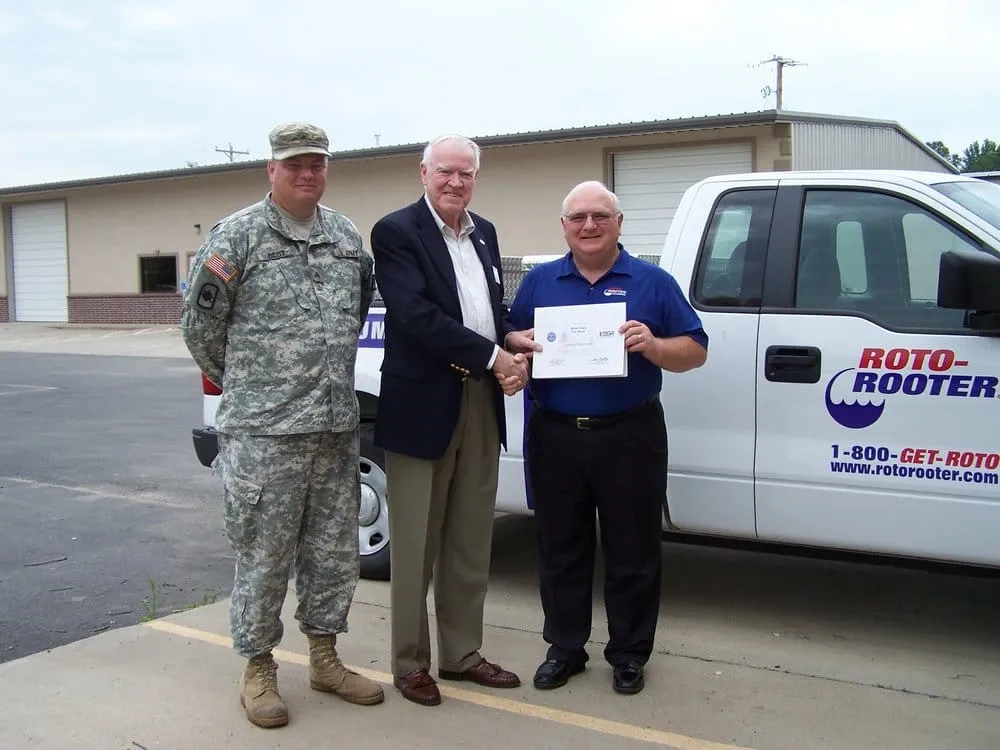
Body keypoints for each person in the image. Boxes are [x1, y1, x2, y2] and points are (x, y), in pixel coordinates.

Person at [181, 122, 384, 729]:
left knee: (333, 553)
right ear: (272, 169)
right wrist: (254, 386)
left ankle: (324, 658)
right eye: (294, 164)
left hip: (333, 429)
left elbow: (358, 308)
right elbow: (200, 327)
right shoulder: (237, 236)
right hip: (264, 435)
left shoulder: (345, 236)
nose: (307, 174)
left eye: (317, 163)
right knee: (264, 555)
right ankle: (258, 667)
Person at [507, 180, 708, 696]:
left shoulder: (653, 282)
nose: (589, 225)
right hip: (555, 435)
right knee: (560, 548)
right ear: (564, 227)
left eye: (600, 215)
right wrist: (517, 348)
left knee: (633, 549)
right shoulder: (539, 282)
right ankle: (565, 649)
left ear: (619, 223)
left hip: (630, 434)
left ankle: (629, 653)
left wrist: (655, 346)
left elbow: (695, 350)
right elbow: (513, 336)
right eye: (578, 218)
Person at [370, 134, 534, 707]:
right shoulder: (396, 232)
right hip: (423, 406)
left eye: (466, 173)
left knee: (469, 536)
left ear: (476, 179)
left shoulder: (484, 232)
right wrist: (494, 356)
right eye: (445, 171)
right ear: (424, 172)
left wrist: (511, 336)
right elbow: (415, 315)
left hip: (480, 402)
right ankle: (409, 662)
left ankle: (462, 654)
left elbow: (486, 308)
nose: (455, 182)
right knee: (415, 543)